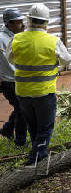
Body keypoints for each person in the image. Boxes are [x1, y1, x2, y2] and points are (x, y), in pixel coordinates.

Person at [7, 3, 71, 165]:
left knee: (33, 125)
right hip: (44, 93)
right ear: (46, 22)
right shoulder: (52, 41)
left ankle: (36, 151)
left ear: (28, 20)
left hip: (22, 92)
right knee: (45, 127)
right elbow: (67, 59)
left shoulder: (16, 39)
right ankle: (36, 157)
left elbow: (10, 59)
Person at [0, 8, 27, 146]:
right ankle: (20, 142)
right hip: (9, 82)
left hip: (19, 80)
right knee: (23, 110)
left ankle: (7, 129)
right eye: (19, 22)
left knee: (21, 108)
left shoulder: (16, 35)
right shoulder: (1, 39)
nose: (23, 25)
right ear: (9, 23)